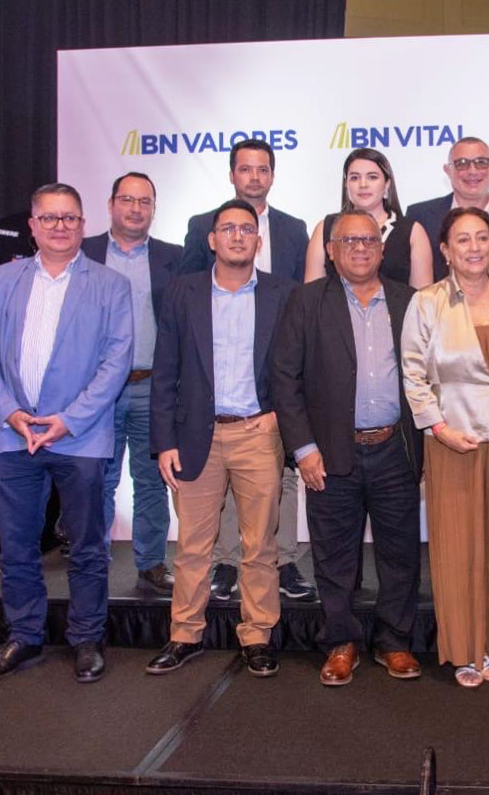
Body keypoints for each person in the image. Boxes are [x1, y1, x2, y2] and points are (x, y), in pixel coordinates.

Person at [0, 183, 133, 683]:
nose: (60, 226)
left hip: (80, 436)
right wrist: (11, 413)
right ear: (33, 226)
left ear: (83, 225)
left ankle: (87, 638)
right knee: (16, 548)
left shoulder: (110, 285)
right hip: (11, 436)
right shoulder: (2, 280)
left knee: (87, 548)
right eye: (50, 218)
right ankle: (24, 635)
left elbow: (116, 362)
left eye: (69, 218)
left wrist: (70, 420)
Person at [271, 211, 424, 687]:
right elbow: (284, 378)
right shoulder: (306, 300)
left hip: (395, 447)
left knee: (400, 554)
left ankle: (394, 641)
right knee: (334, 557)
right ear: (330, 251)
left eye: (369, 239)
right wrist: (303, 448)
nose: (360, 248)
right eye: (349, 240)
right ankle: (341, 642)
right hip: (329, 452)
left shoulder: (409, 301)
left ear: (382, 247)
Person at [146, 199, 295, 678]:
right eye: (228, 228)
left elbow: (295, 367)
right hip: (196, 435)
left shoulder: (282, 293)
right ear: (212, 240)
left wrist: (280, 418)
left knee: (260, 546)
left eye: (246, 229)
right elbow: (165, 370)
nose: (237, 236)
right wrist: (164, 441)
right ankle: (185, 634)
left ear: (258, 240)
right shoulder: (182, 292)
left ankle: (257, 636)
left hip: (257, 434)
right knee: (192, 545)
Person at [400, 207, 489, 687]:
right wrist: (439, 429)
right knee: (458, 547)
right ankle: (466, 648)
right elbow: (413, 374)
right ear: (445, 249)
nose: (475, 247)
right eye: (463, 239)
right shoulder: (427, 302)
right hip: (454, 439)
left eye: (483, 237)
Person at [179, 138, 314, 603]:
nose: (254, 177)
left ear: (272, 175)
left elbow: (302, 298)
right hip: (223, 367)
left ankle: (285, 560)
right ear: (232, 175)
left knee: (282, 474)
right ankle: (225, 560)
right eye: (245, 169)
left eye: (263, 169)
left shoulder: (294, 229)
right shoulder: (204, 224)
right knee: (220, 471)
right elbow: (186, 292)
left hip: (277, 367)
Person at [80, 172, 182, 594]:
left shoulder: (174, 258)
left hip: (152, 387)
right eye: (127, 200)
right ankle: (91, 561)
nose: (136, 209)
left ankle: (151, 564)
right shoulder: (82, 252)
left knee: (152, 481)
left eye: (144, 202)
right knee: (96, 480)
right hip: (95, 389)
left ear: (154, 209)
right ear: (110, 205)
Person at [304, 147, 433, 288]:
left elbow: (423, 297)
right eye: (355, 178)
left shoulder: (412, 232)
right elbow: (310, 295)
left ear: (387, 184)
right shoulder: (325, 228)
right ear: (346, 185)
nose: (363, 184)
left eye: (372, 177)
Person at [406, 137, 489, 283]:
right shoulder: (420, 216)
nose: (472, 171)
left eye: (481, 162)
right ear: (448, 170)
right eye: (462, 164)